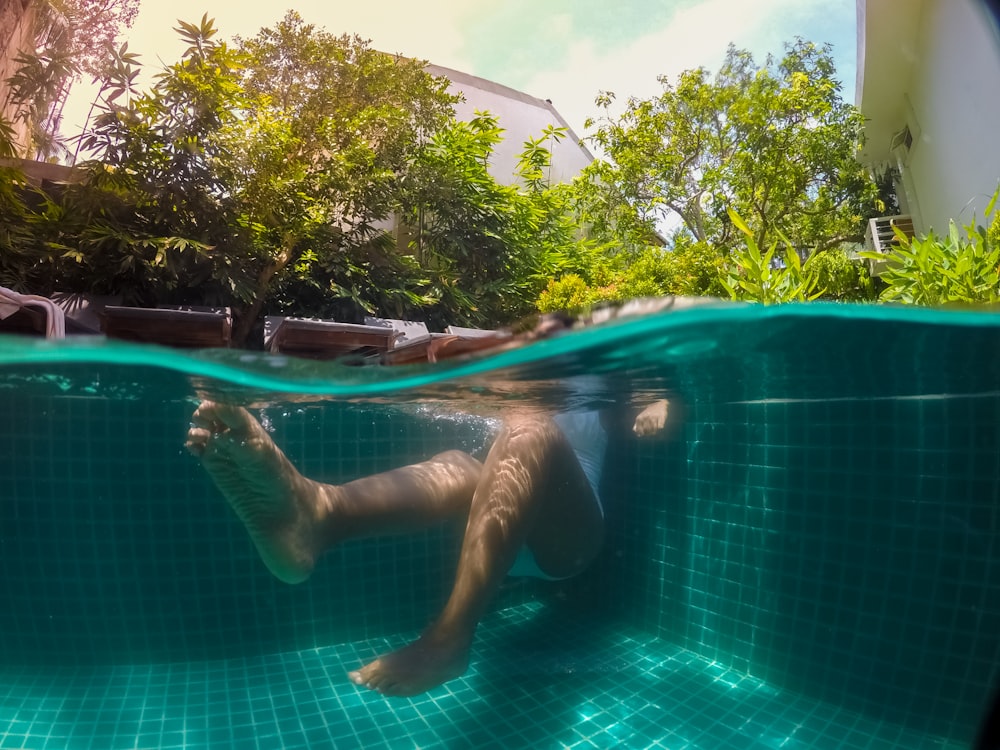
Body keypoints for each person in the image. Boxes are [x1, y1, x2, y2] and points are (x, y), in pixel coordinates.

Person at [185, 397, 669, 697]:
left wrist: (660, 406)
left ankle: (449, 639)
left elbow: (651, 403)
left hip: (570, 540)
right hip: (499, 525)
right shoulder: (526, 374)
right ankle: (318, 513)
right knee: (459, 462)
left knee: (532, 428)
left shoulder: (605, 384)